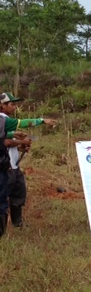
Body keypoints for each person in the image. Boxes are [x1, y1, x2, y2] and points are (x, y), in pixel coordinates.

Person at [0, 92, 57, 233]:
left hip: (13, 164)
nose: (15, 107)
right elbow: (7, 140)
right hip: (5, 166)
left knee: (18, 193)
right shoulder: (2, 119)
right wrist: (42, 121)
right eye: (12, 104)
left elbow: (8, 140)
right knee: (3, 197)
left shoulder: (6, 120)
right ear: (2, 105)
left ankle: (17, 223)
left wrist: (19, 144)